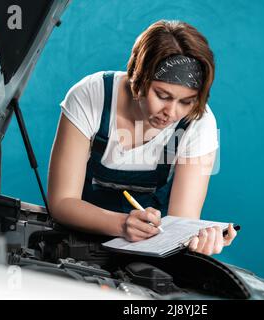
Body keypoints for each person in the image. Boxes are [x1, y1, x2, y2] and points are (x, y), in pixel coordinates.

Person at [47, 20, 237, 256]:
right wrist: (121, 224)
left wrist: (198, 242)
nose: (172, 112)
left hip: (150, 254)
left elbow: (182, 220)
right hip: (76, 244)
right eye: (162, 95)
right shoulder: (92, 96)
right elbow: (62, 201)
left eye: (186, 101)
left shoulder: (199, 123)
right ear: (139, 76)